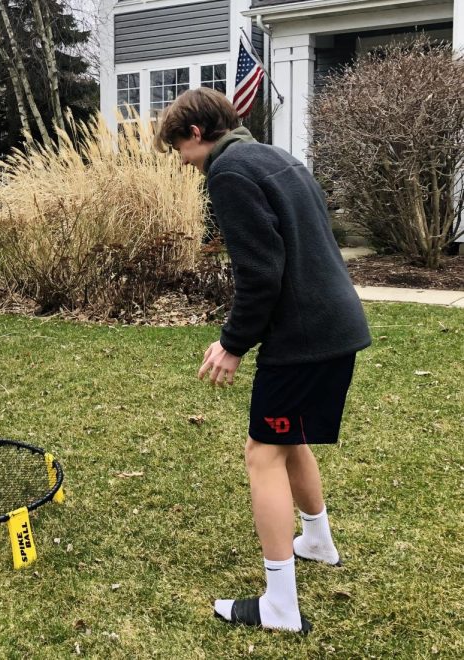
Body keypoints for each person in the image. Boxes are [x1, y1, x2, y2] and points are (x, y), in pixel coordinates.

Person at [155, 88, 371, 633]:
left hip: (303, 338)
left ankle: (279, 604)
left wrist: (231, 344)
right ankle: (317, 541)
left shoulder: (229, 173)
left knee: (262, 453)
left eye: (178, 146)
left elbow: (261, 274)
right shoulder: (276, 156)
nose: (180, 160)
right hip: (334, 325)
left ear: (197, 134)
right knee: (286, 437)